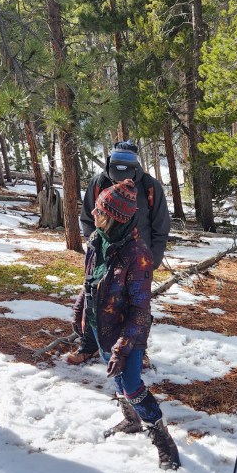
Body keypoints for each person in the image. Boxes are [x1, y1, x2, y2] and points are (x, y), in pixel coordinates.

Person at [72, 179, 181, 470]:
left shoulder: (138, 256)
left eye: (99, 211)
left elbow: (140, 311)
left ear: (114, 217)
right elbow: (90, 281)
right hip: (101, 326)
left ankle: (163, 440)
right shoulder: (97, 241)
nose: (93, 214)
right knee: (118, 380)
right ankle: (132, 420)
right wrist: (81, 309)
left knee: (132, 383)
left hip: (127, 334)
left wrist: (123, 345)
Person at [70, 140, 170, 365]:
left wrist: (151, 260)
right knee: (94, 297)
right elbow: (88, 218)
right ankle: (89, 345)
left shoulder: (150, 187)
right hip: (104, 255)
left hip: (136, 259)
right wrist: (94, 245)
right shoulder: (98, 183)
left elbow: (161, 227)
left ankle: (137, 351)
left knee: (136, 306)